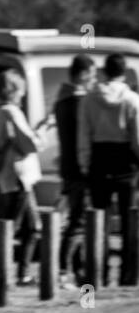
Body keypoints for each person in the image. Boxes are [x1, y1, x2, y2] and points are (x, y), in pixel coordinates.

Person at [78, 53, 139, 283]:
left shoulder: (89, 99)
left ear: (105, 70)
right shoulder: (132, 100)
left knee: (99, 221)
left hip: (99, 160)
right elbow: (137, 138)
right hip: (125, 161)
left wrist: (85, 163)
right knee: (128, 220)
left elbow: (83, 135)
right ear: (124, 72)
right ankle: (128, 274)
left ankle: (98, 273)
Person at [0, 69, 43, 285]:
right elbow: (29, 144)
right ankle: (3, 273)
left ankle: (20, 272)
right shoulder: (11, 112)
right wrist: (42, 130)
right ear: (13, 90)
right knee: (12, 226)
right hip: (19, 175)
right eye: (21, 90)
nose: (22, 95)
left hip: (8, 175)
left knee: (30, 227)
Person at [54, 54, 96, 281]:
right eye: (92, 74)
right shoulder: (80, 103)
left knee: (76, 221)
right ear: (83, 74)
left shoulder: (61, 101)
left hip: (67, 168)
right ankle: (64, 270)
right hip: (80, 168)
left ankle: (77, 270)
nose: (94, 79)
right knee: (78, 223)